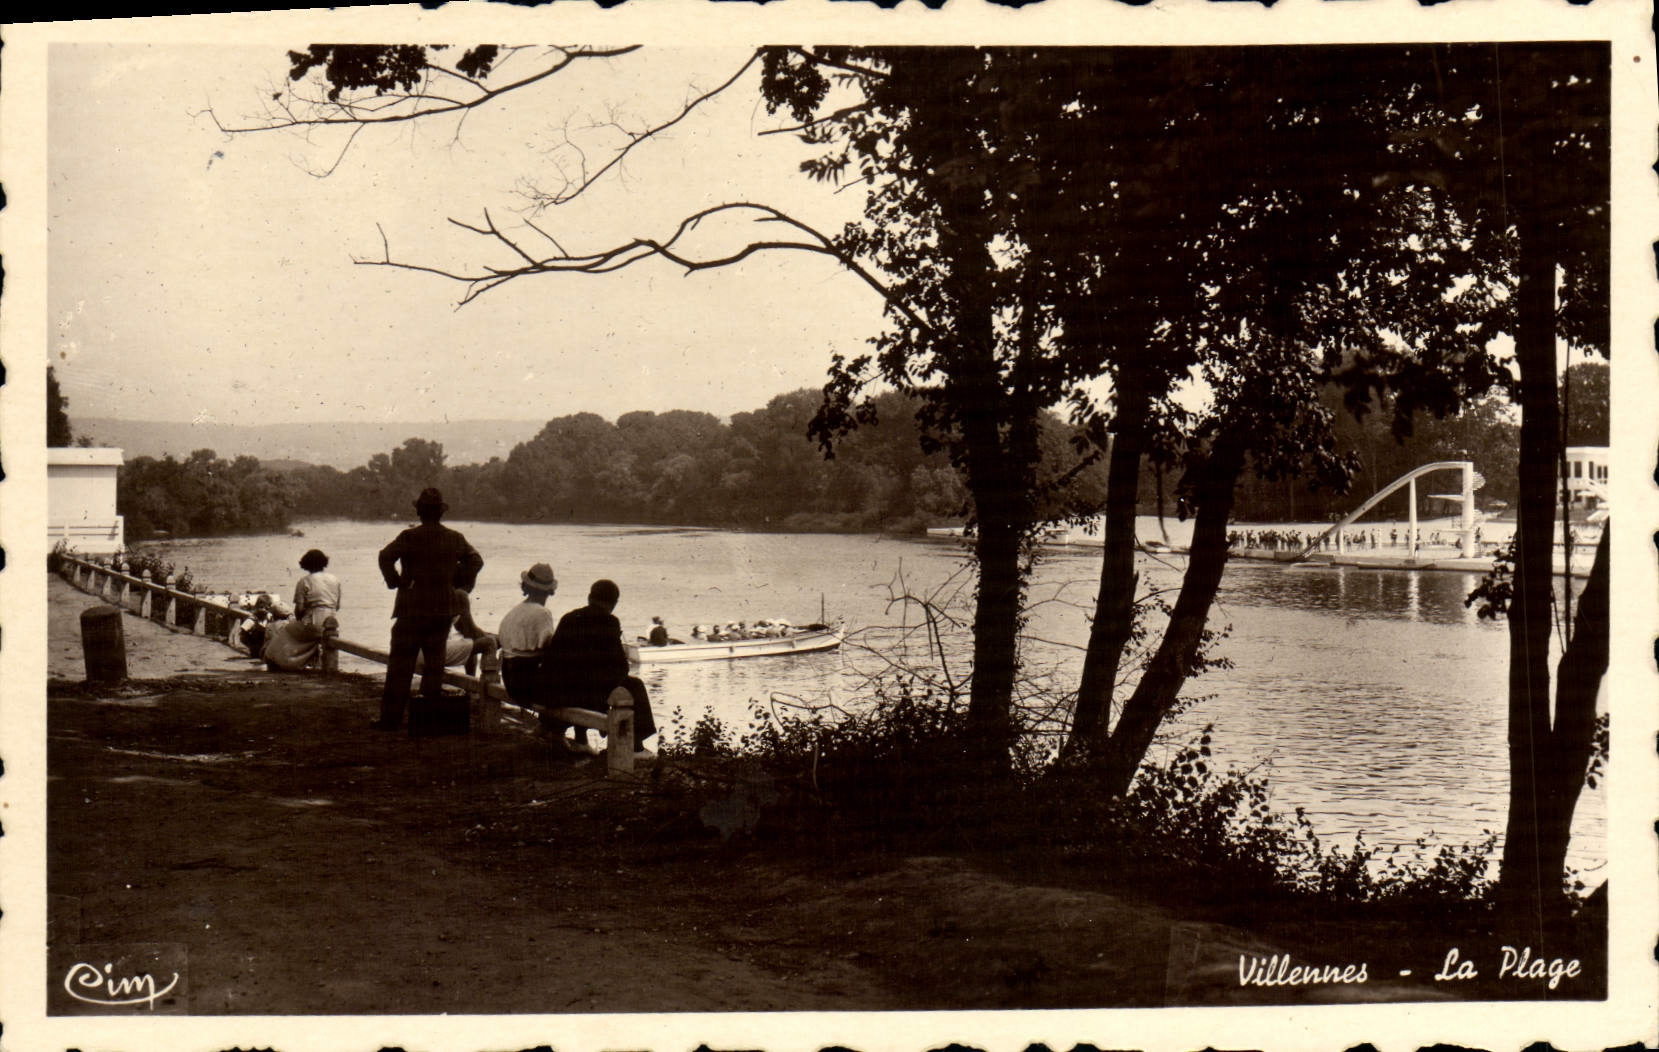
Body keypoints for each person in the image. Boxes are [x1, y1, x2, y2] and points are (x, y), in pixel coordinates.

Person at [372, 487, 484, 731]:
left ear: (420, 512)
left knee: (400, 665)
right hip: (442, 611)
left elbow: (385, 556)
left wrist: (396, 582)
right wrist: (458, 582)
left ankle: (390, 720)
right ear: (440, 513)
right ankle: (428, 720)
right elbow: (476, 561)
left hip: (410, 609)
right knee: (434, 666)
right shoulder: (455, 538)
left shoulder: (409, 536)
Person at [549, 579, 658, 758]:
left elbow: (555, 656)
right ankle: (636, 746)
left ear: (589, 597)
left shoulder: (569, 618)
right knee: (634, 685)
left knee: (583, 677)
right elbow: (619, 667)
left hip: (560, 691)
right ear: (614, 603)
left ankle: (581, 739)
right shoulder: (609, 621)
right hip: (583, 694)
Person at [293, 548, 342, 630]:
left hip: (313, 622)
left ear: (306, 564)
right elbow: (337, 606)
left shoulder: (304, 581)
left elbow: (299, 609)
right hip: (332, 620)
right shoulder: (335, 579)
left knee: (288, 631)